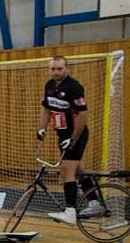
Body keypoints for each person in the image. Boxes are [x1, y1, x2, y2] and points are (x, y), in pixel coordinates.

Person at [36, 55, 101, 224]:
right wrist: (42, 128)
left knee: (66, 171)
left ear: (67, 69)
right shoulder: (49, 86)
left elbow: (83, 114)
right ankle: (95, 203)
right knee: (79, 171)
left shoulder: (74, 87)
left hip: (76, 135)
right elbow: (46, 109)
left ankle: (70, 211)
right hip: (62, 135)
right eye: (52, 69)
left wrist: (73, 139)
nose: (55, 72)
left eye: (59, 69)